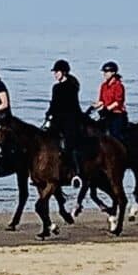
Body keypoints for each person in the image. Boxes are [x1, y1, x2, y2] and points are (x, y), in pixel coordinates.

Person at [45, 59, 83, 188]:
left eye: (57, 71)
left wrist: (58, 113)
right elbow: (54, 104)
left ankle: (76, 173)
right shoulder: (55, 87)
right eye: (54, 72)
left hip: (70, 119)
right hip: (57, 120)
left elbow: (70, 105)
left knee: (69, 144)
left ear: (63, 72)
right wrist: (49, 114)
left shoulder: (71, 86)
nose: (55, 74)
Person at [93, 61, 127, 141]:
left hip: (117, 114)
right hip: (107, 114)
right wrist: (93, 107)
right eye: (104, 72)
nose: (104, 74)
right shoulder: (104, 86)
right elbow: (101, 101)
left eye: (106, 72)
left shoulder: (118, 86)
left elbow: (118, 102)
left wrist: (107, 109)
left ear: (113, 72)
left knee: (115, 134)